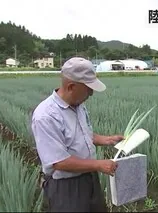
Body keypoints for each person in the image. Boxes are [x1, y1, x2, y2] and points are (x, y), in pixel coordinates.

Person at [31, 57, 124, 212]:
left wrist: (108, 139)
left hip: (89, 178)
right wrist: (99, 164)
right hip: (66, 188)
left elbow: (83, 135)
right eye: (88, 88)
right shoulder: (46, 116)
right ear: (71, 86)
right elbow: (58, 162)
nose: (91, 93)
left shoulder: (78, 105)